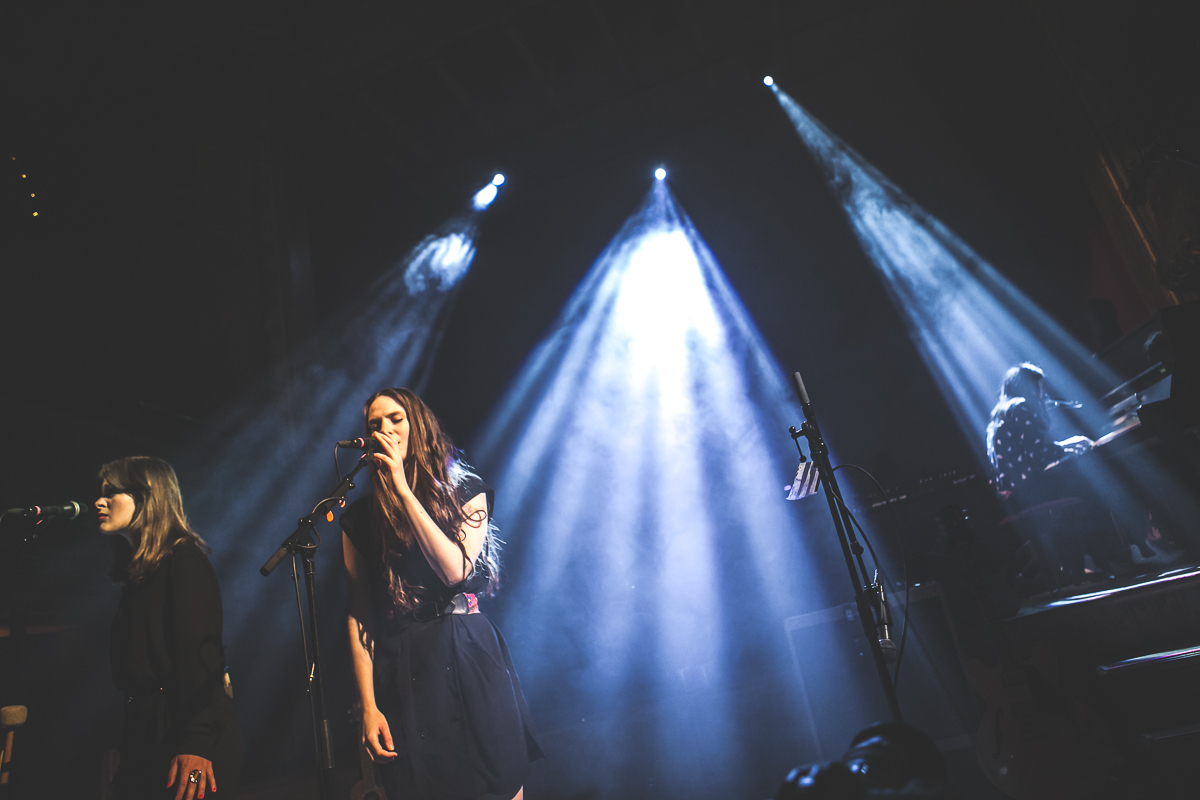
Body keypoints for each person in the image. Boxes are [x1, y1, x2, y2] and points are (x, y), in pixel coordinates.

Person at [341, 388, 543, 800]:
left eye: (395, 418)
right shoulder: (360, 519)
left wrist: (402, 489)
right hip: (405, 661)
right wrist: (368, 705)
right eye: (374, 424)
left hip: (466, 647)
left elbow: (455, 571)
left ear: (418, 425)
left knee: (496, 779)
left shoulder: (467, 491)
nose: (385, 430)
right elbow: (359, 614)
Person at [96, 456, 241, 800]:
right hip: (146, 732)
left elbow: (202, 661)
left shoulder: (183, 560)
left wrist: (197, 742)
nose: (100, 502)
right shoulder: (138, 576)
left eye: (111, 492)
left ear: (146, 497)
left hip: (182, 733)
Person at [986, 362, 1093, 500]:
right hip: (1029, 492)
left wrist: (1066, 446)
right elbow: (1039, 455)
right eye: (1040, 388)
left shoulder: (1000, 413)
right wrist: (1069, 446)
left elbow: (1031, 452)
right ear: (1030, 387)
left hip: (1015, 494)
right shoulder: (1020, 407)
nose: (1042, 395)